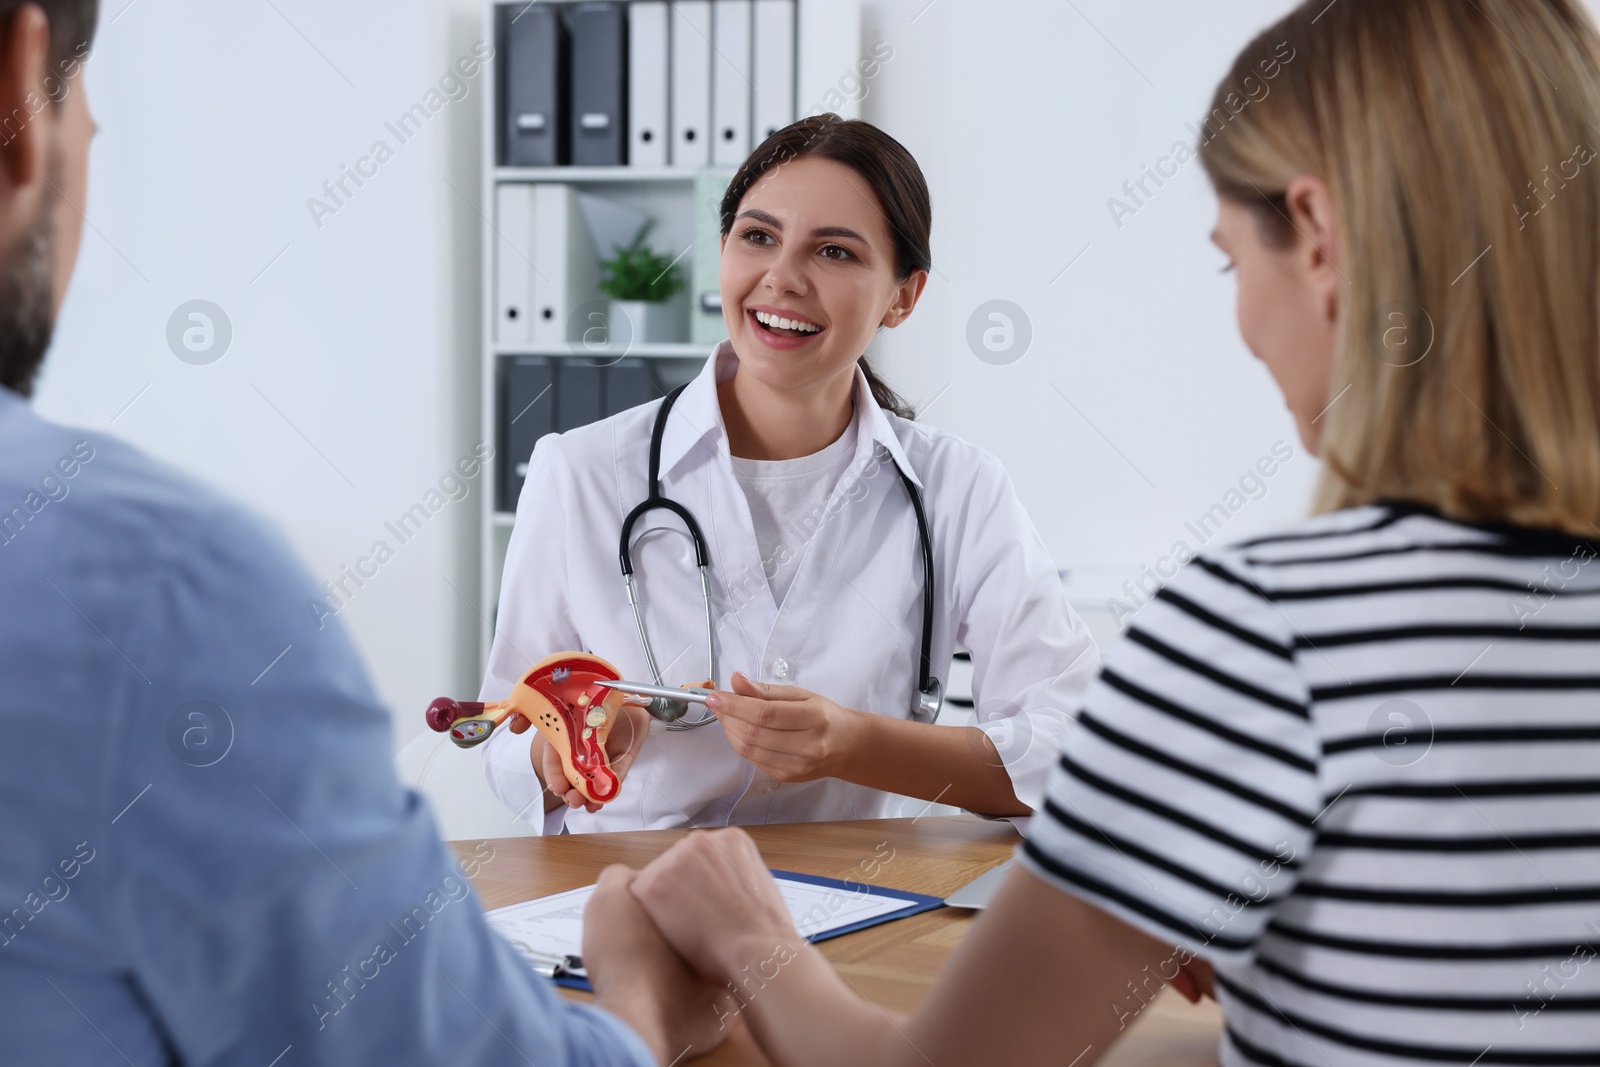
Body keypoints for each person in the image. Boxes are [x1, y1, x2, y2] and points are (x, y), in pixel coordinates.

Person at [595, 0, 1600, 1063]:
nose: (1244, 321)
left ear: (1316, 238)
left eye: (1227, 262)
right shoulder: (593, 463)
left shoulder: (1269, 631)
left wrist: (734, 928)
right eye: (756, 234)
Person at [0, 3, 723, 1063]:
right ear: (21, 92)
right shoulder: (162, 591)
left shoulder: (953, 486)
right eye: (87, 121)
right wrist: (639, 1000)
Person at [481, 117, 1100, 834]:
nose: (782, 277)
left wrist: (858, 745)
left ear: (903, 296)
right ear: (721, 250)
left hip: (859, 915)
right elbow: (501, 734)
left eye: (834, 251)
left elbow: (1072, 752)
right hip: (630, 902)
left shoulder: (960, 490)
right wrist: (562, 751)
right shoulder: (579, 473)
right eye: (758, 237)